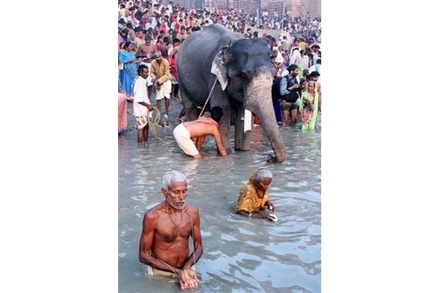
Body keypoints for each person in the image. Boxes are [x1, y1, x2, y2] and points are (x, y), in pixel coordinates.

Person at [139, 170, 203, 290]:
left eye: (184, 191)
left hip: (187, 268)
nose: (181, 197)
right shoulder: (152, 216)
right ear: (164, 192)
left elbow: (198, 246)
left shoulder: (192, 212)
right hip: (160, 273)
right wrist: (178, 272)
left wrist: (187, 267)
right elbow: (143, 255)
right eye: (176, 192)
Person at [133, 64, 154, 143]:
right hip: (140, 109)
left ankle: (145, 144)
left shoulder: (141, 80)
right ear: (140, 73)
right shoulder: (140, 82)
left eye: (147, 72)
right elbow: (138, 99)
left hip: (144, 109)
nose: (147, 74)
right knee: (141, 128)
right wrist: (148, 105)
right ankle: (141, 147)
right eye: (145, 72)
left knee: (146, 126)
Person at [150, 50, 173, 121]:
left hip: (166, 80)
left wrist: (158, 81)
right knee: (158, 97)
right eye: (156, 57)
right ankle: (158, 113)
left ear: (161, 56)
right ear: (154, 57)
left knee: (167, 96)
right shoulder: (153, 62)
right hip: (157, 80)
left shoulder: (165, 62)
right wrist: (153, 77)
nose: (158, 58)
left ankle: (166, 112)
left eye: (159, 57)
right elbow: (151, 72)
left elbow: (167, 74)